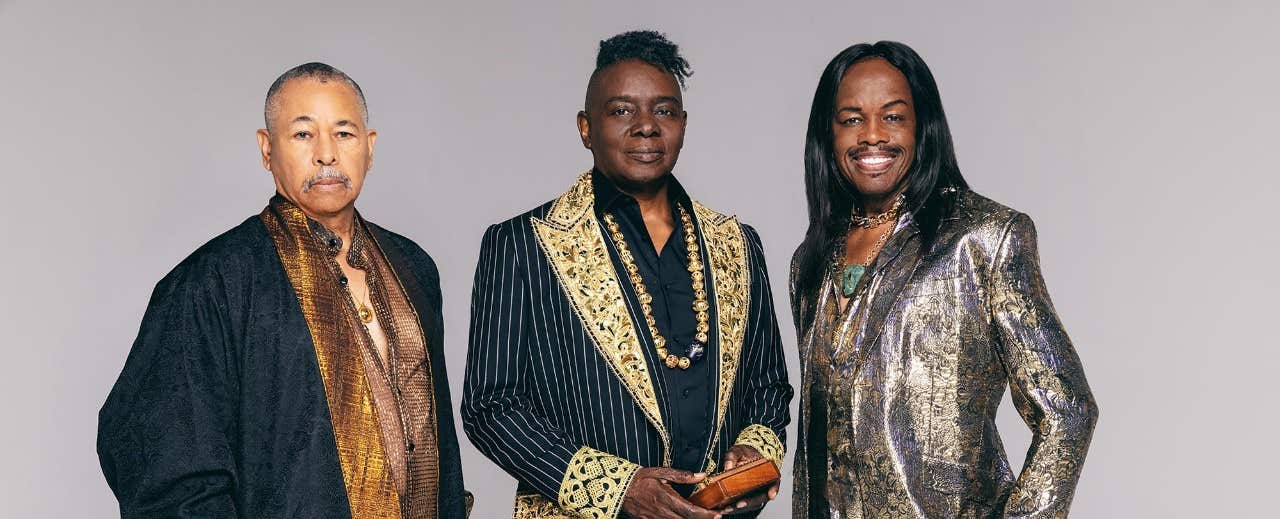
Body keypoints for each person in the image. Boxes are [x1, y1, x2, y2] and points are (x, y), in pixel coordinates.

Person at [97, 62, 469, 518]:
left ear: (370, 148)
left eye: (344, 133)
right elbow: (165, 469)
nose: (327, 154)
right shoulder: (213, 282)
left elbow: (441, 449)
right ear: (266, 148)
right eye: (303, 134)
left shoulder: (413, 267)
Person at [462, 30, 792, 518]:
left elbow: (768, 388)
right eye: (621, 111)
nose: (645, 127)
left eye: (664, 110)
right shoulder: (523, 245)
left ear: (683, 123)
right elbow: (491, 407)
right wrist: (619, 489)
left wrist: (755, 451)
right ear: (585, 128)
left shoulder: (738, 243)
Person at [789, 41, 1098, 518]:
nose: (872, 136)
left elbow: (1068, 411)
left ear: (923, 126)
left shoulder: (984, 239)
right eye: (851, 119)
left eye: (892, 117)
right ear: (827, 136)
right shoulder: (810, 264)